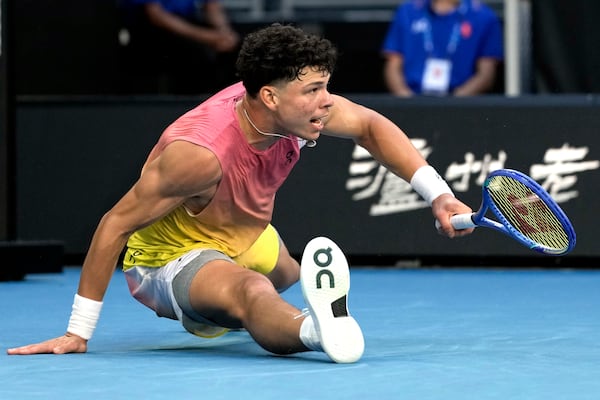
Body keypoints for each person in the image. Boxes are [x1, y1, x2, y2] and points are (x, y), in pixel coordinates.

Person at [7, 24, 473, 363]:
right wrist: (78, 331)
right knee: (252, 292)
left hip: (242, 233)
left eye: (326, 87)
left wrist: (437, 194)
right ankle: (314, 332)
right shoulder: (199, 156)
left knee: (284, 273)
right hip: (170, 257)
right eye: (313, 90)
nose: (327, 101)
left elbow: (371, 126)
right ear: (270, 97)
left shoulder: (295, 111)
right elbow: (115, 224)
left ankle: (231, 311)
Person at [382, 0, 503, 97]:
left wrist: (455, 100)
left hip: (460, 103)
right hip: (412, 99)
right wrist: (406, 98)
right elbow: (393, 65)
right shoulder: (407, 11)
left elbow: (486, 74)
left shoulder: (483, 16)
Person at [119, 0, 240, 94]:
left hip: (187, 22)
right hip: (151, 30)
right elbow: (156, 16)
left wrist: (224, 32)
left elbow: (212, 6)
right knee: (194, 52)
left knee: (238, 47)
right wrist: (207, 37)